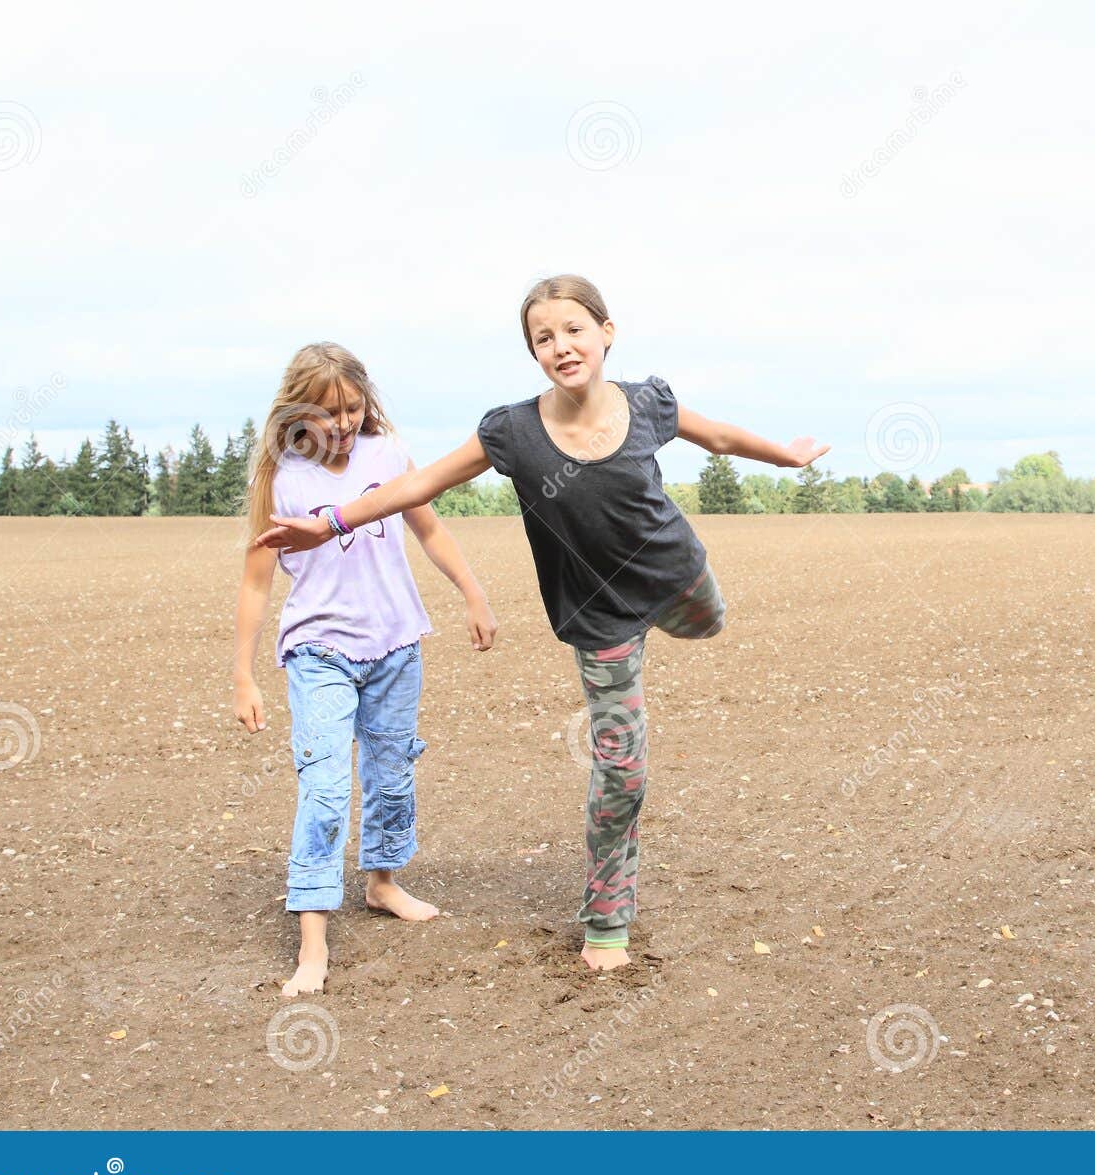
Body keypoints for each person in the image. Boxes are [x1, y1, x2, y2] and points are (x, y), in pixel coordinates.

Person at [255, 276, 828, 971]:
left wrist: (786, 455)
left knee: (710, 620)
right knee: (623, 770)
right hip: (600, 618)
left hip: (677, 577)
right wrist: (331, 521)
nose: (561, 346)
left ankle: (683, 597)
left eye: (574, 330)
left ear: (606, 332)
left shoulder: (649, 401)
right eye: (543, 338)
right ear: (533, 352)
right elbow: (420, 484)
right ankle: (607, 922)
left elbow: (722, 436)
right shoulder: (513, 431)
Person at [234, 342, 498, 996]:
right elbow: (256, 582)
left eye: (353, 406)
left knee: (391, 771)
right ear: (299, 413)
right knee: (325, 788)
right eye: (329, 412)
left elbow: (430, 529)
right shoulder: (283, 478)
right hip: (319, 650)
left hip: (396, 644)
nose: (345, 422)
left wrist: (472, 592)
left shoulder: (388, 457)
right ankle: (313, 943)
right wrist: (242, 672)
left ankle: (381, 883)